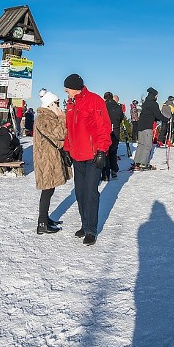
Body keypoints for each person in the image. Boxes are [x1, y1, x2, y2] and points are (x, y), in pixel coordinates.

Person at [63, 73, 111, 246]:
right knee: (80, 192)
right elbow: (69, 129)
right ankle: (84, 224)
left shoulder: (94, 100)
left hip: (92, 155)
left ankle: (91, 229)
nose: (65, 90)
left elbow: (103, 127)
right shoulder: (70, 104)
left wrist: (102, 151)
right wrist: (67, 150)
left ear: (74, 87)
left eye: (67, 87)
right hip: (77, 155)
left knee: (91, 193)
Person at [32, 88, 70, 234]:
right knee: (47, 190)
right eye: (56, 103)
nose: (58, 106)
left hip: (48, 157)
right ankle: (42, 223)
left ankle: (45, 218)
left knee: (50, 188)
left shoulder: (46, 116)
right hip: (46, 159)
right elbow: (60, 134)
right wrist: (62, 117)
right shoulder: (44, 118)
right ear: (50, 104)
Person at [133, 87, 169, 171]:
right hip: (147, 127)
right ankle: (143, 163)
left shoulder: (146, 103)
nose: (157, 97)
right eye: (157, 95)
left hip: (140, 126)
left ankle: (136, 163)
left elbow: (151, 115)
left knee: (141, 144)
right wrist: (167, 119)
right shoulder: (153, 104)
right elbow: (158, 115)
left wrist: (156, 119)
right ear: (154, 95)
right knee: (147, 145)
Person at [103, 92, 124, 181]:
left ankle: (105, 174)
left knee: (105, 153)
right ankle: (114, 170)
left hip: (105, 131)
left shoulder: (103, 106)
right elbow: (121, 117)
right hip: (115, 131)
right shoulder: (118, 107)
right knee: (113, 151)